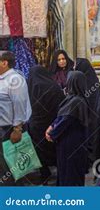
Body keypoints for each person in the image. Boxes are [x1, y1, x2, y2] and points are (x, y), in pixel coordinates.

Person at [46, 71, 89, 186]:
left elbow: (65, 120)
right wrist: (52, 126)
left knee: (70, 172)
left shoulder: (76, 101)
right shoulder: (73, 98)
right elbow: (61, 117)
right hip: (69, 142)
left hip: (70, 144)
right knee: (67, 171)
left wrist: (52, 133)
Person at [27, 65, 65, 183]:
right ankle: (61, 172)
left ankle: (44, 173)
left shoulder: (31, 87)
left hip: (36, 125)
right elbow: (62, 103)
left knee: (38, 149)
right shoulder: (53, 86)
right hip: (52, 123)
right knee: (55, 147)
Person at [0, 51, 31, 186]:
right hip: (3, 129)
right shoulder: (3, 79)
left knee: (11, 168)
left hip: (9, 130)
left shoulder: (15, 79)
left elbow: (19, 104)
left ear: (4, 63)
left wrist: (17, 129)